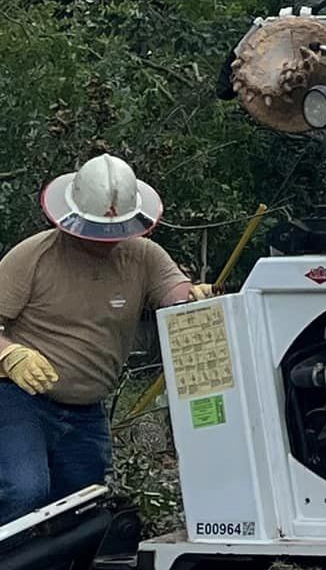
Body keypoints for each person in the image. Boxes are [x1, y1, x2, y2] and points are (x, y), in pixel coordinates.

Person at [0, 154, 206, 522]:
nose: (105, 240)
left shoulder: (143, 257)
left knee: (83, 507)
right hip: (21, 402)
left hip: (86, 410)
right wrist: (10, 354)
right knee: (25, 490)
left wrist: (194, 298)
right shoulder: (32, 257)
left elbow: (175, 293)